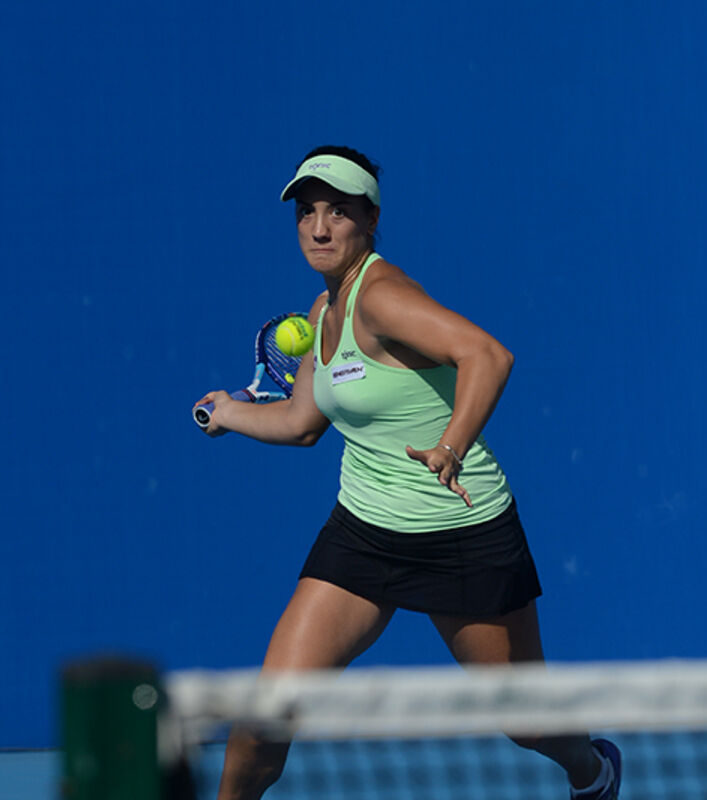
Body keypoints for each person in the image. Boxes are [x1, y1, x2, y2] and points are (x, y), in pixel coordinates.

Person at [195, 145, 622, 800]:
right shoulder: (322, 313)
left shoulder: (383, 298)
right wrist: (229, 413)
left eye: (338, 212)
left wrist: (451, 446)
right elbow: (303, 422)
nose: (319, 228)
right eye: (307, 212)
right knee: (263, 721)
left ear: (370, 219)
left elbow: (488, 355)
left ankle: (593, 771)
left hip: (462, 536)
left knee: (528, 723)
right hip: (363, 535)